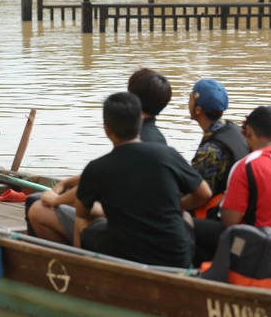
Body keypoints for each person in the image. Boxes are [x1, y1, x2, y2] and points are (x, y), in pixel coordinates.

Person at [34, 92, 212, 268]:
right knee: (186, 216)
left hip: (122, 254)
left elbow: (82, 213)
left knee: (61, 216)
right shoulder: (168, 154)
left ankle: (80, 271)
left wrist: (57, 199)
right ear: (140, 122)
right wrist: (178, 206)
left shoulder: (98, 167)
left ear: (107, 129)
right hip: (177, 256)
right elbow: (204, 193)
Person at [26, 68, 172, 238]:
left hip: (128, 220)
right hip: (138, 211)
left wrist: (57, 198)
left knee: (36, 203)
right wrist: (68, 182)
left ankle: (63, 260)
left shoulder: (138, 138)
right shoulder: (153, 136)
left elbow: (95, 185)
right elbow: (111, 171)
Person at [194, 106, 271, 265]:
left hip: (262, 251)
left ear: (247, 132)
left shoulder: (246, 166)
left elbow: (230, 223)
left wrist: (227, 199)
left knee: (186, 224)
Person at [187, 78, 248, 219]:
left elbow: (198, 195)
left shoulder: (211, 150)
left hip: (222, 218)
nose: (188, 103)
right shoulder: (236, 130)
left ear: (198, 109)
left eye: (190, 98)